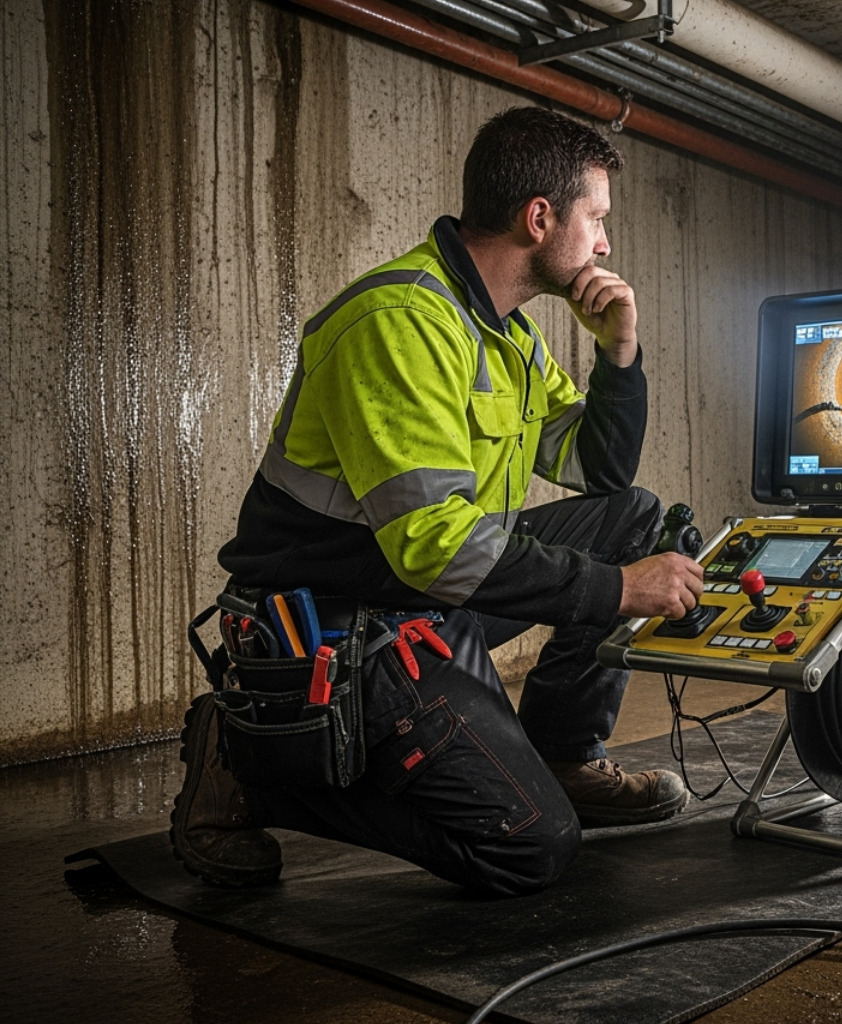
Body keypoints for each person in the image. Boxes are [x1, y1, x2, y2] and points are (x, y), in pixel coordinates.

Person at [170, 106, 705, 896]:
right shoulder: (399, 323)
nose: (604, 244)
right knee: (532, 846)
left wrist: (618, 355)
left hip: (423, 596)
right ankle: (250, 770)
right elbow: (442, 550)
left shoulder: (507, 336)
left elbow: (600, 472)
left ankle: (565, 754)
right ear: (539, 217)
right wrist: (623, 590)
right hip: (343, 627)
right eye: (596, 219)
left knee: (634, 519)